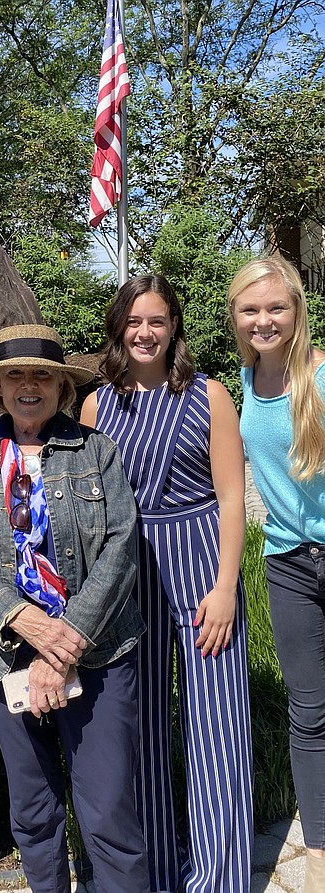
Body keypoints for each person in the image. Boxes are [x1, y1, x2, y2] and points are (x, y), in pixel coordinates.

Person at [0, 324, 151, 893]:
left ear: (61, 387)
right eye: (16, 374)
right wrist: (22, 618)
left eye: (42, 374)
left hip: (100, 653)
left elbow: (120, 549)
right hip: (4, 661)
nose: (28, 385)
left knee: (108, 812)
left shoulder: (98, 454)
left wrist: (64, 643)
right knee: (33, 811)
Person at [80, 276, 253, 893]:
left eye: (156, 321)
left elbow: (232, 496)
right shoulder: (99, 404)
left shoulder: (209, 396)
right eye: (133, 321)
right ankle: (154, 871)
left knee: (217, 730)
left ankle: (219, 876)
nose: (144, 333)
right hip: (129, 575)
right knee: (141, 727)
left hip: (202, 563)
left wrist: (228, 586)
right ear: (118, 328)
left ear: (174, 327)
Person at [228, 255, 325, 893]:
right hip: (288, 565)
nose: (264, 320)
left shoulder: (321, 376)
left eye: (275, 308)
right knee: (309, 712)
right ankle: (319, 851)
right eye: (251, 309)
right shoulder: (244, 378)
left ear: (296, 312)